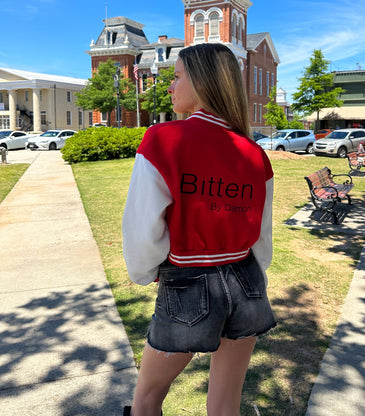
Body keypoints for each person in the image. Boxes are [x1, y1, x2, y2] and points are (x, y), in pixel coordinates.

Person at [122, 43, 276, 416]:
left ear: (203, 83)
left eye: (176, 77)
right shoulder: (255, 154)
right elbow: (261, 236)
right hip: (247, 283)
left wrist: (144, 271)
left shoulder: (164, 140)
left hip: (189, 283)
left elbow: (142, 227)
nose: (170, 87)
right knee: (225, 405)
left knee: (147, 398)